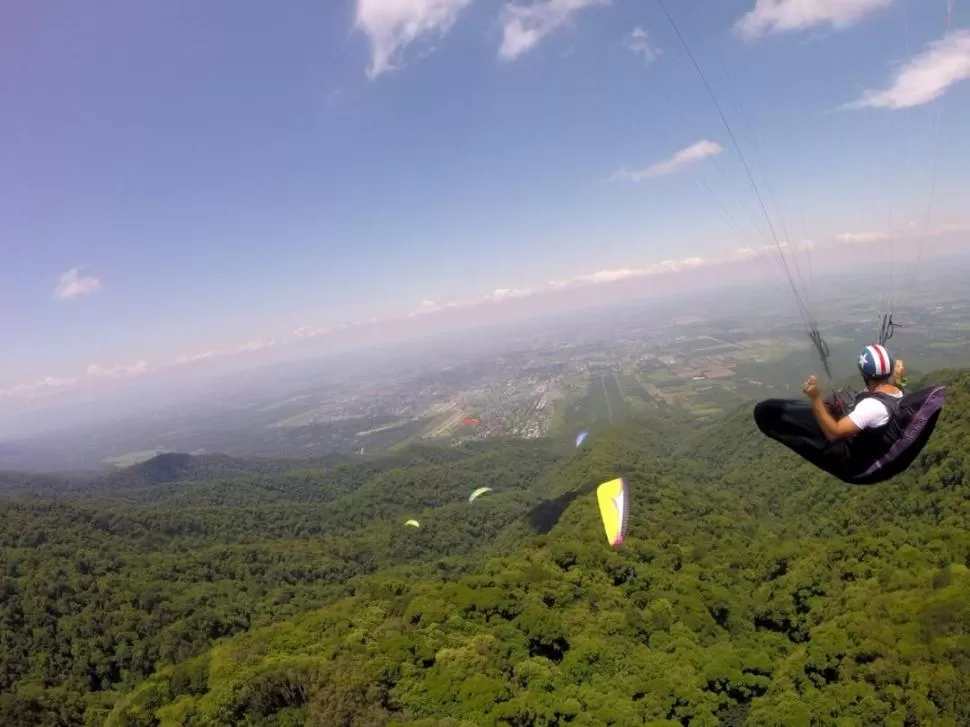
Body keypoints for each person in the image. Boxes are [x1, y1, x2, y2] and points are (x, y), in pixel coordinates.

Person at [753, 344, 943, 484]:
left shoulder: (871, 407)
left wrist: (815, 397)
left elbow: (834, 433)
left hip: (853, 466)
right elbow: (891, 393)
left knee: (765, 412)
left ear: (864, 374)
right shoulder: (897, 392)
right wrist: (899, 379)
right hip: (867, 452)